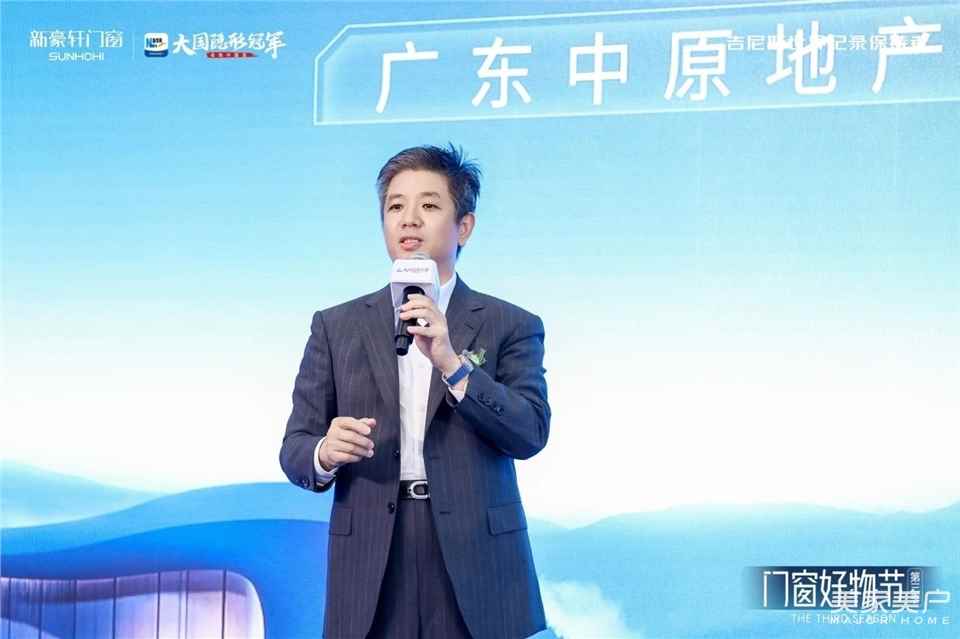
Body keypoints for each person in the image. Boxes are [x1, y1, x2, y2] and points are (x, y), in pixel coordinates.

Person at [279, 143, 550, 639]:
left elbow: (529, 432)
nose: (409, 219)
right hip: (372, 551)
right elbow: (295, 448)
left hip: (476, 552)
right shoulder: (336, 326)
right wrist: (324, 452)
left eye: (429, 205)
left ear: (463, 226)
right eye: (395, 206)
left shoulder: (510, 323)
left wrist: (452, 363)